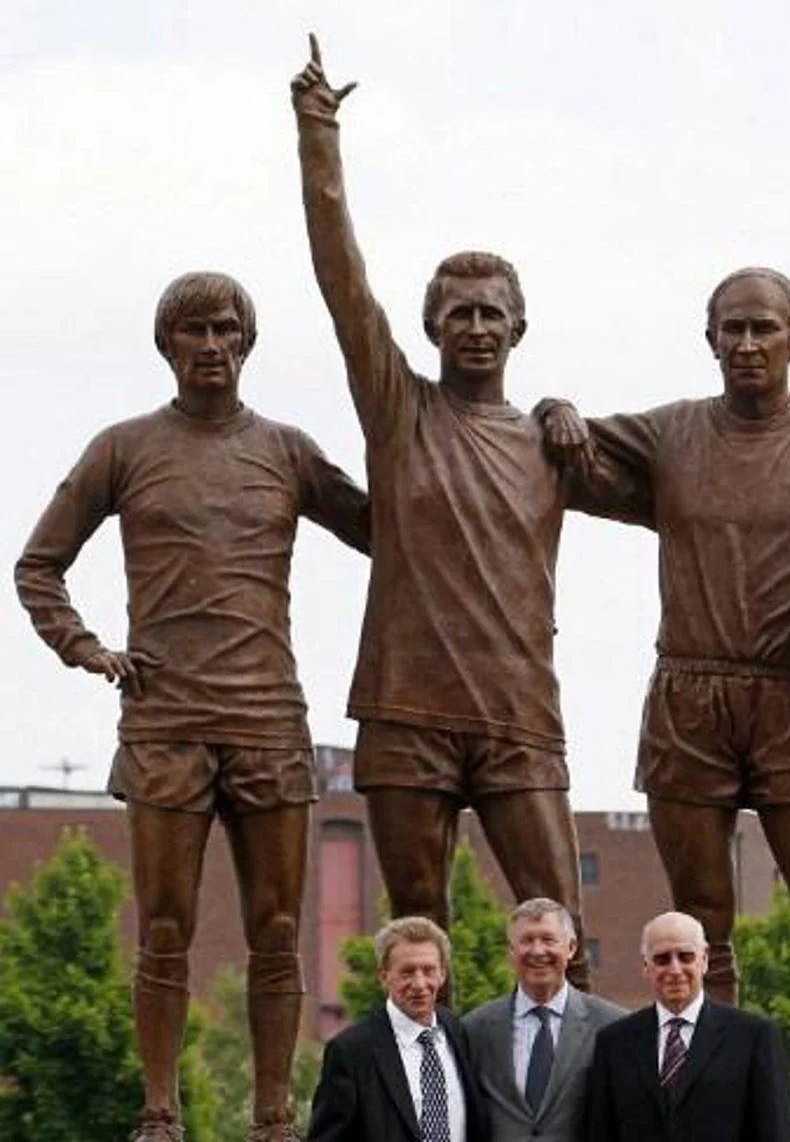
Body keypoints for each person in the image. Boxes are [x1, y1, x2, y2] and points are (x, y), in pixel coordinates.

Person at [540, 267, 790, 1141]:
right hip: (689, 695)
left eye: (764, 328)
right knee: (699, 925)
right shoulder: (673, 434)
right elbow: (573, 452)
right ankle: (704, 1116)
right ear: (710, 338)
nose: (748, 344)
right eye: (732, 329)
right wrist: (555, 410)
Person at [290, 34, 645, 991]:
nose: (477, 326)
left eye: (493, 312)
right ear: (431, 327)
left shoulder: (552, 442)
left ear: (518, 327)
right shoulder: (400, 412)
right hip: (405, 713)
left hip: (521, 718)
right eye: (460, 312)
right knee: (416, 945)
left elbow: (686, 503)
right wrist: (318, 137)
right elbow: (340, 280)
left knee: (555, 933)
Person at [14, 272, 370, 1142]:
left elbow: (387, 533)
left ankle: (275, 1115)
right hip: (165, 720)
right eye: (193, 331)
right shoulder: (124, 448)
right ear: (166, 345)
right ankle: (160, 1112)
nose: (210, 345)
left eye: (225, 330)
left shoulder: (286, 451)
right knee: (164, 927)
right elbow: (38, 565)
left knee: (278, 928)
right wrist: (87, 649)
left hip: (267, 720)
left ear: (246, 344)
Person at [585, 911, 790, 1141]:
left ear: (704, 960)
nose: (675, 970)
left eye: (685, 957)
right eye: (662, 959)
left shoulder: (754, 1038)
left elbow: (774, 1133)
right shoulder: (613, 1043)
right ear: (646, 966)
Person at [307, 916, 487, 1141]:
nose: (419, 984)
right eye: (407, 972)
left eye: (428, 970)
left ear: (443, 974)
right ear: (383, 977)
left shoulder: (458, 1032)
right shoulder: (351, 1051)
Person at [463, 897, 625, 1141]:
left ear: (571, 948)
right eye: (527, 940)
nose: (538, 951)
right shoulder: (475, 1029)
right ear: (511, 950)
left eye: (548, 940)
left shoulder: (612, 1026)